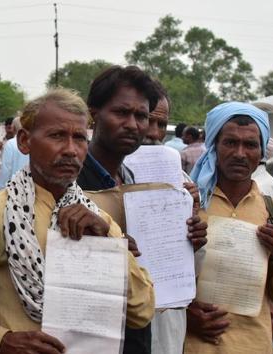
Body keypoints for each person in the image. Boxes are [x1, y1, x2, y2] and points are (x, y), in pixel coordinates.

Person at [0, 88, 155, 354]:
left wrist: (109, 243)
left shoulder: (99, 219)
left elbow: (141, 311)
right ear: (25, 141)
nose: (71, 150)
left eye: (79, 138)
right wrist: (1, 340)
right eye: (57, 136)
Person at [78, 67, 207, 354]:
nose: (134, 125)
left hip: (136, 333)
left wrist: (190, 241)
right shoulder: (71, 182)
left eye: (141, 116)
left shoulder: (133, 182)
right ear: (93, 114)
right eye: (121, 113)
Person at [185, 102, 273, 353]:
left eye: (250, 144)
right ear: (214, 146)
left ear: (261, 152)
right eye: (230, 142)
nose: (240, 153)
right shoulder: (188, 203)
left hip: (253, 345)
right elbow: (160, 281)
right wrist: (185, 315)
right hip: (195, 345)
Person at [0, 116, 29, 190]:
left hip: (14, 188)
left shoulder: (10, 143)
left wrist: (0, 186)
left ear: (13, 128)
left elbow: (6, 168)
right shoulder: (32, 142)